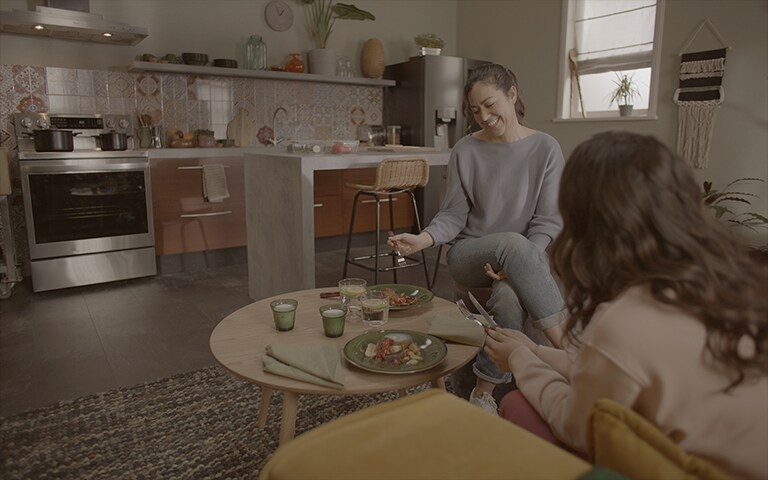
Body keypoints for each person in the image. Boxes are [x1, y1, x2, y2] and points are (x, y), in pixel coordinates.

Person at [484, 131, 768, 479]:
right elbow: (615, 370)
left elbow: (577, 427)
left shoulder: (626, 320)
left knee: (515, 403)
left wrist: (519, 360)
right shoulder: (735, 282)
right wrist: (537, 352)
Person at [388, 63, 568, 414]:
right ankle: (567, 351)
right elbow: (454, 214)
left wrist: (517, 266)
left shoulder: (546, 149)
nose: (483, 116)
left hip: (521, 258)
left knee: (508, 293)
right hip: (471, 254)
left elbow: (548, 220)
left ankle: (482, 394)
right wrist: (424, 240)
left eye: (490, 104)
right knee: (513, 245)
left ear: (512, 94)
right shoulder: (466, 150)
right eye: (475, 110)